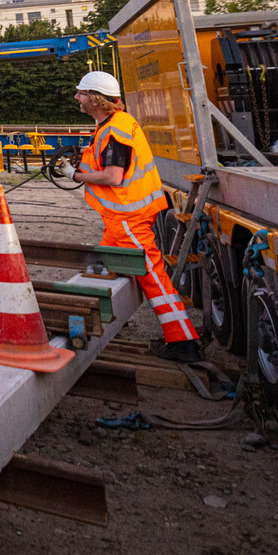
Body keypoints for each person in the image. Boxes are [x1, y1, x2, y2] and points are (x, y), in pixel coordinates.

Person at [72, 71, 202, 362]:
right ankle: (103, 323)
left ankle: (184, 341)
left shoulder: (115, 130)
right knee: (104, 269)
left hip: (128, 217)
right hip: (121, 218)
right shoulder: (114, 124)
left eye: (81, 93)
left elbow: (113, 176)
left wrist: (77, 175)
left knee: (153, 276)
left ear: (95, 98)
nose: (77, 97)